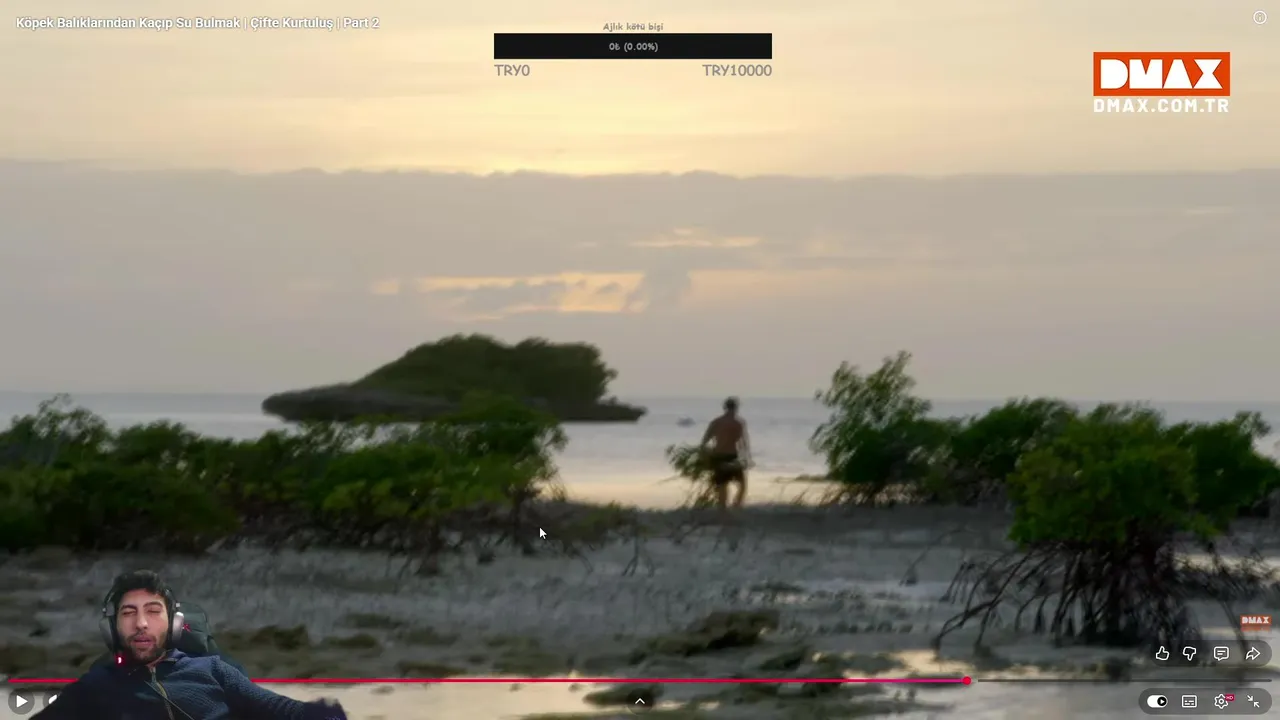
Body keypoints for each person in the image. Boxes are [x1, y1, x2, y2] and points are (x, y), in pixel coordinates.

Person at [33, 570, 347, 720]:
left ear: (173, 623)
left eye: (153, 612)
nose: (141, 623)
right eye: (129, 613)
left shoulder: (213, 670)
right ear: (112, 629)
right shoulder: (96, 686)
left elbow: (283, 710)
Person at [700, 397, 752, 509]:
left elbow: (704, 441)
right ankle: (736, 505)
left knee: (722, 485)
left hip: (718, 456)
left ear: (725, 407)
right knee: (742, 484)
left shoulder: (716, 422)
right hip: (732, 456)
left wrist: (706, 456)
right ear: (736, 408)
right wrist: (747, 458)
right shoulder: (739, 423)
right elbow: (744, 443)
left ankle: (723, 510)